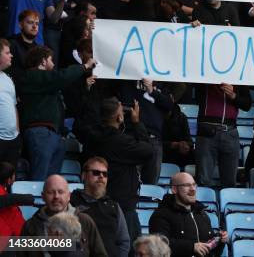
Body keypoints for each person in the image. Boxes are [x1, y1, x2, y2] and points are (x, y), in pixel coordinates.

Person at [18, 46, 95, 180]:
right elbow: (62, 76)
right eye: (51, 60)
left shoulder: (48, 82)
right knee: (40, 179)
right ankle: (34, 201)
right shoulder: (32, 75)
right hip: (40, 133)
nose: (53, 64)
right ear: (43, 61)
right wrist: (84, 66)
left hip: (53, 134)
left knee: (51, 182)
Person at [86, 97, 154, 242]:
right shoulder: (120, 141)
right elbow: (148, 151)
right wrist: (136, 123)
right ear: (119, 117)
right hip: (122, 207)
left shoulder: (92, 137)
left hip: (99, 204)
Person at [21, 175, 108, 256]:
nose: (56, 196)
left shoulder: (85, 221)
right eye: (51, 192)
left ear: (69, 196)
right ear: (43, 196)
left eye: (61, 192)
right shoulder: (30, 226)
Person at [149, 172, 228, 257]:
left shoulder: (202, 214)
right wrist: (191, 247)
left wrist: (219, 241)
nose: (193, 189)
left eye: (194, 185)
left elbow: (212, 252)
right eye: (187, 185)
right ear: (174, 189)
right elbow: (159, 245)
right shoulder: (161, 215)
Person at [71, 157, 130, 257]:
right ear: (84, 175)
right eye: (96, 173)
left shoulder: (114, 206)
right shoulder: (71, 201)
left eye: (105, 174)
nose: (101, 176)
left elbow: (124, 242)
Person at [0, 41, 19, 168]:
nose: (11, 55)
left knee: (9, 180)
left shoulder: (7, 78)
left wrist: (17, 131)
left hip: (13, 139)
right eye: (7, 53)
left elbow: (14, 106)